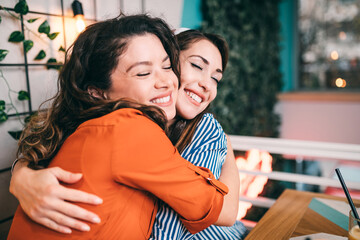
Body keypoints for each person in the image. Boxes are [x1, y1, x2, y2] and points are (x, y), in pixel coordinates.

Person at [7, 14, 235, 239]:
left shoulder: (95, 126)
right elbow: (225, 210)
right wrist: (228, 148)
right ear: (98, 93)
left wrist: (21, 174)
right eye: (143, 72)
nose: (166, 81)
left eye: (166, 66)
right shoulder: (131, 128)